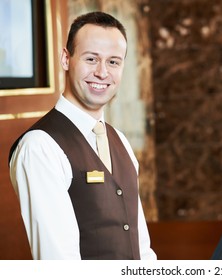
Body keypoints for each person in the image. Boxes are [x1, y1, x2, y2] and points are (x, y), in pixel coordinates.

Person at [8, 11, 156, 260]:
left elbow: (141, 249)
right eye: (91, 59)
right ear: (66, 59)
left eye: (113, 62)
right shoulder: (40, 146)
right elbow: (59, 263)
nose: (102, 73)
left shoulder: (120, 140)